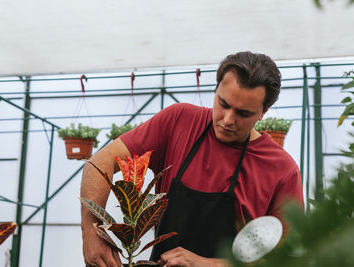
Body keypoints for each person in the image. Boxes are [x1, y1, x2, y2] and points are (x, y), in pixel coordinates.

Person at [80, 51, 304, 267]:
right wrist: (92, 232)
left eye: (243, 113)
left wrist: (207, 264)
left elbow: (287, 258)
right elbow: (100, 162)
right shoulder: (179, 121)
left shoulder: (281, 170)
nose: (227, 120)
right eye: (223, 104)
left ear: (264, 111)